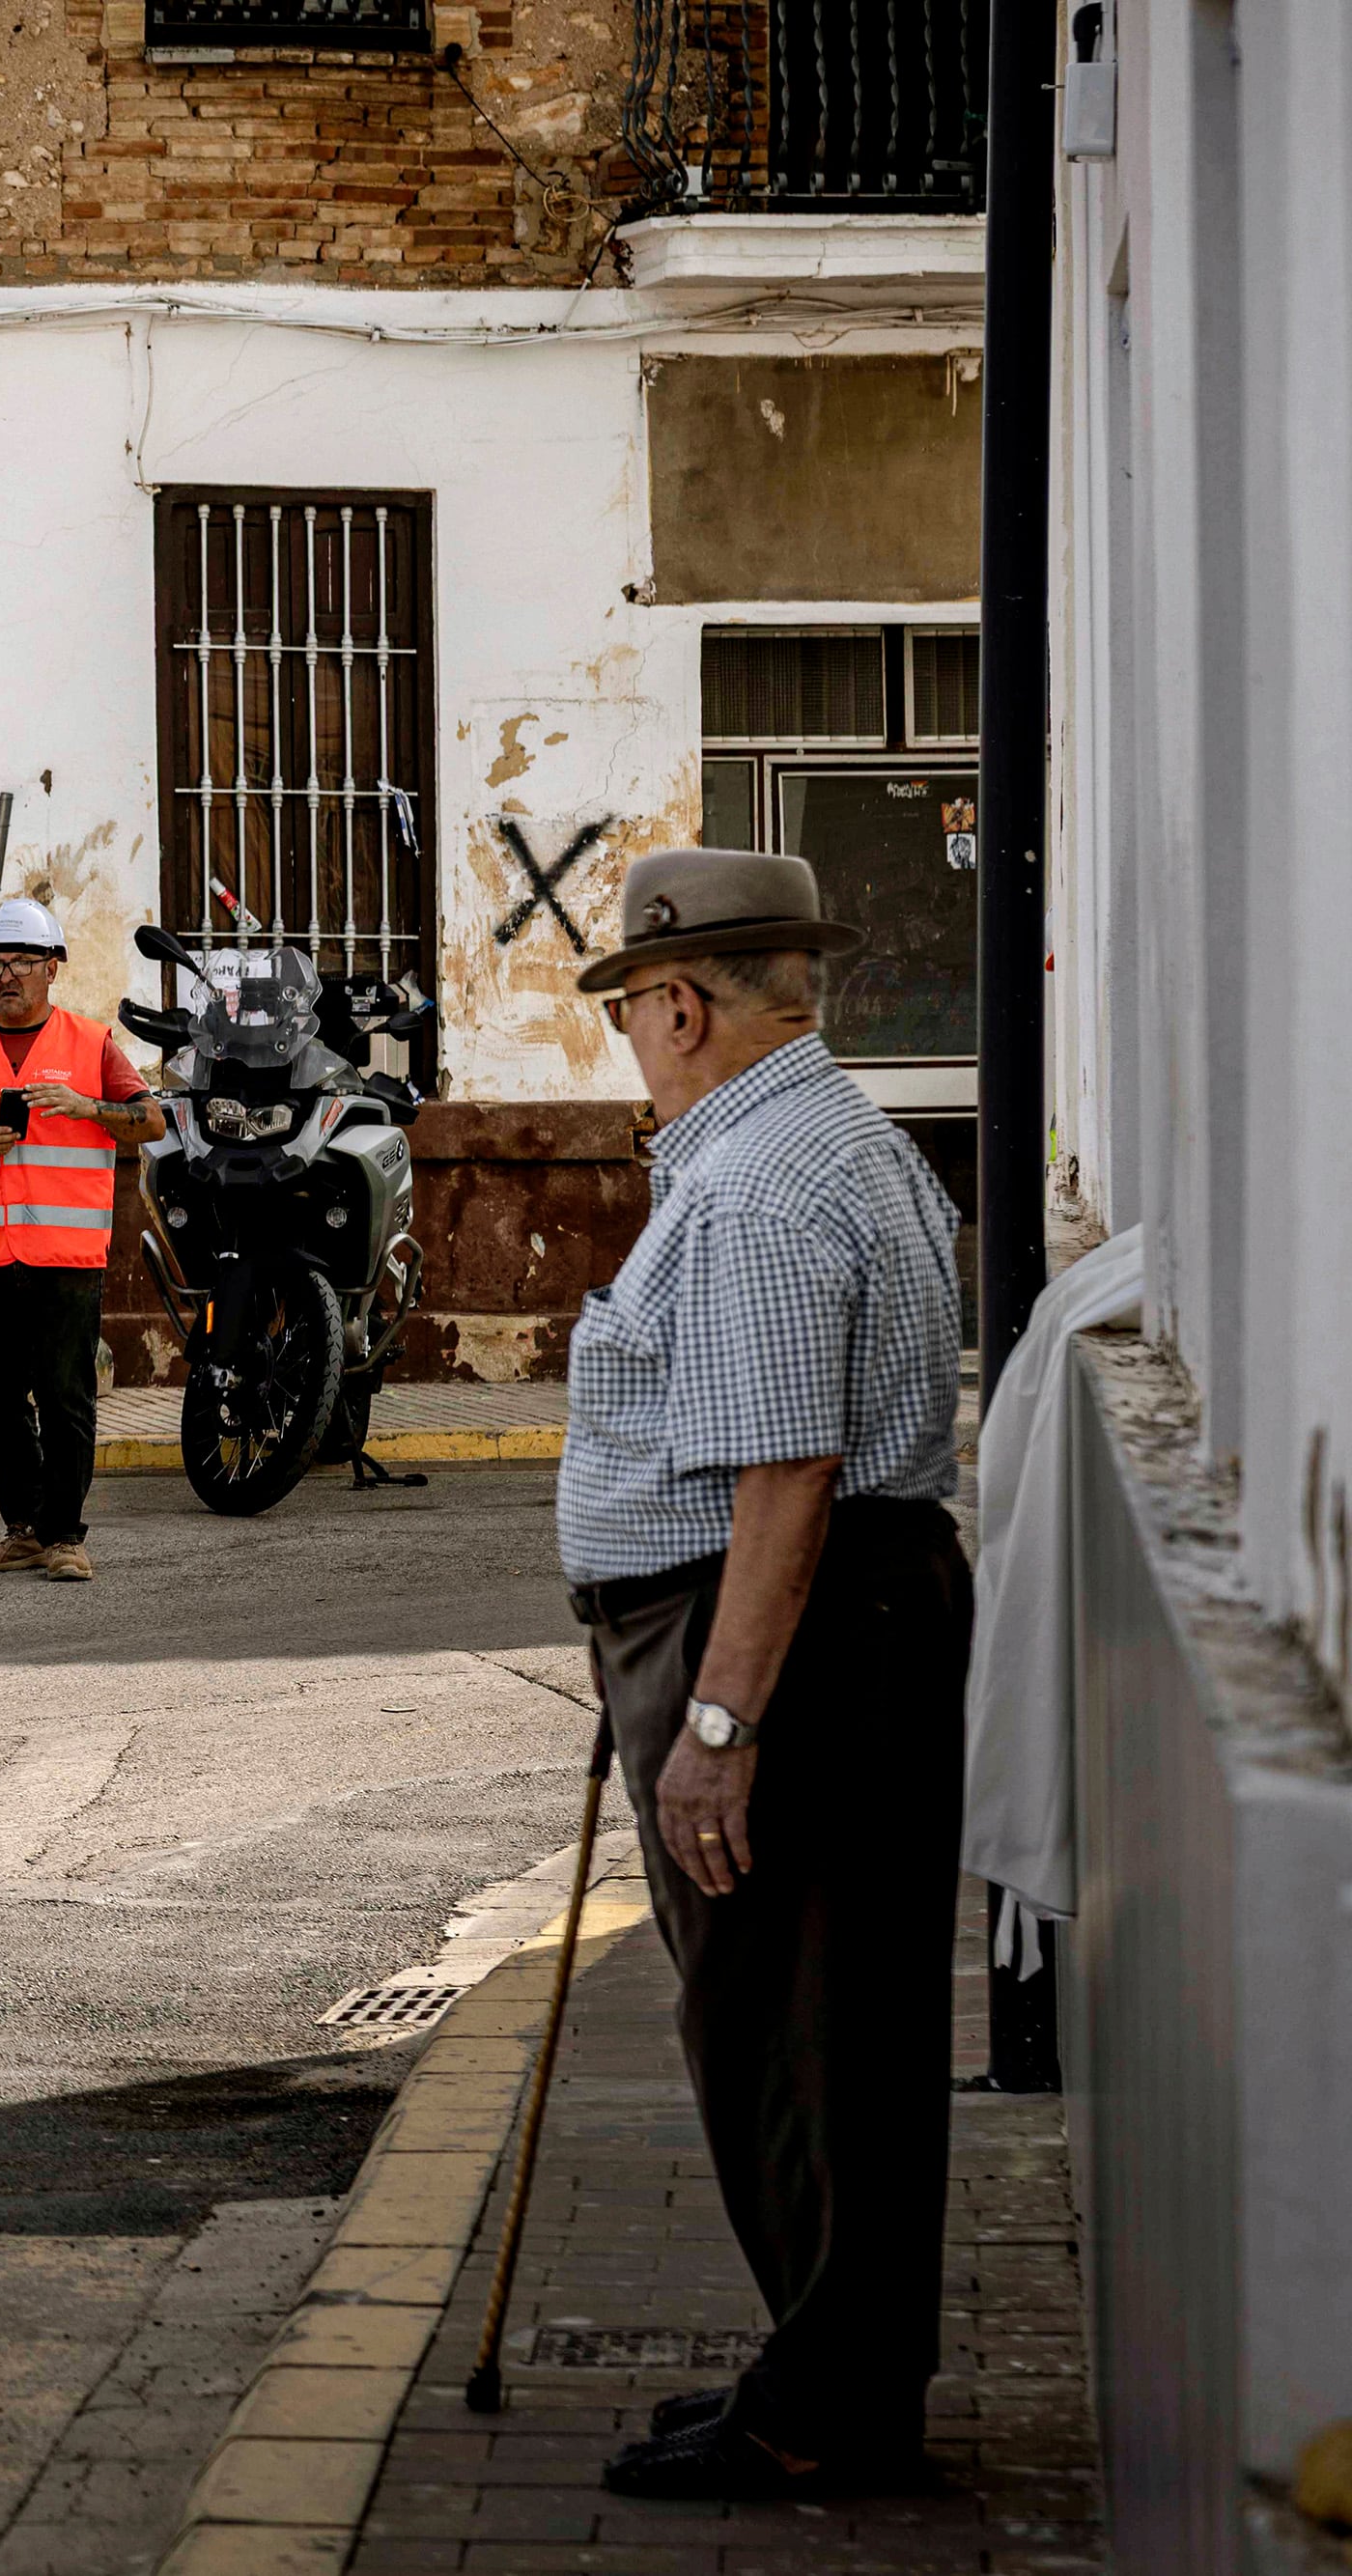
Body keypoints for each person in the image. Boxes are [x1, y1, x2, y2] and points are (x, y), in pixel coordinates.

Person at [555, 851, 971, 2502]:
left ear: (681, 1000)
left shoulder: (752, 1184)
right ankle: (829, 2367)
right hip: (829, 1614)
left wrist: (714, 1722)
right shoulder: (841, 1135)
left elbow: (782, 1476)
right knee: (833, 2022)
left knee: (791, 2031)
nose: (634, 1046)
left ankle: (826, 2402)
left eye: (634, 1016)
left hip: (786, 1630)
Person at [0, 898, 166, 1582]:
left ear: (53, 970)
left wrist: (91, 1108)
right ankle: (23, 1527)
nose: (6, 976)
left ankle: (65, 1536)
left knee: (64, 1396)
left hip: (64, 1256)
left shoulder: (89, 1043)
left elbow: (151, 1122)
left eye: (23, 961)